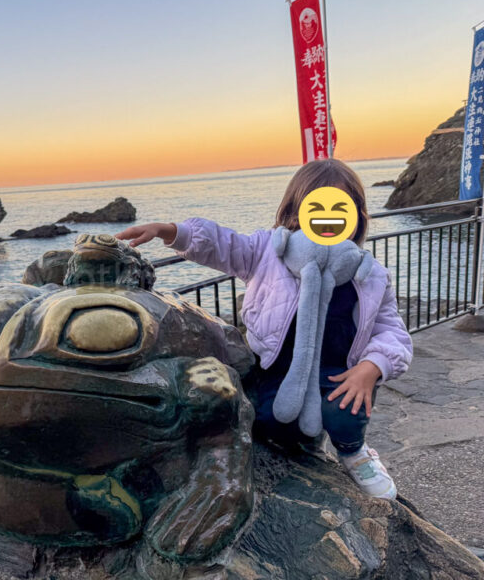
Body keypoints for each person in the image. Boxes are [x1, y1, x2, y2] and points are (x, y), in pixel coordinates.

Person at [115, 158, 412, 500]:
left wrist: (371, 367)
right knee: (269, 423)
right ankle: (304, 440)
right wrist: (170, 231)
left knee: (344, 416)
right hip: (274, 368)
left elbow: (393, 332)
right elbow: (224, 244)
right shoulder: (267, 251)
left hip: (338, 373)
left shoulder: (370, 274)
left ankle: (355, 452)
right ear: (296, 208)